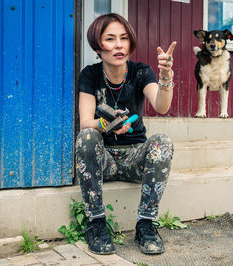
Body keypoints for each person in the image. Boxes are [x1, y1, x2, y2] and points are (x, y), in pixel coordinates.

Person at [76, 13, 176, 255]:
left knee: (162, 141)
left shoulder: (141, 72)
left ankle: (146, 225)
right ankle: (96, 223)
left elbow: (162, 107)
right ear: (98, 47)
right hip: (104, 161)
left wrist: (165, 77)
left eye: (124, 38)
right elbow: (86, 123)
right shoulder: (90, 75)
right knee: (87, 137)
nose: (118, 45)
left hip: (134, 159)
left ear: (131, 43)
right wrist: (106, 123)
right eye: (110, 39)